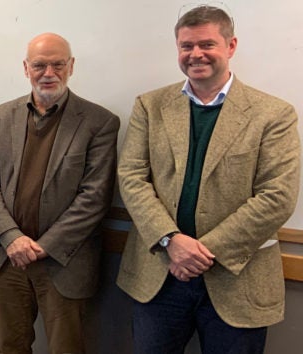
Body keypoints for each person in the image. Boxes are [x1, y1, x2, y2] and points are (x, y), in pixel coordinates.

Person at [117, 5, 300, 353]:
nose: (195, 54)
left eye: (207, 44)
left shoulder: (273, 115)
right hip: (160, 276)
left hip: (237, 281)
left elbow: (277, 196)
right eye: (186, 46)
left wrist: (199, 252)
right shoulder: (150, 106)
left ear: (230, 46)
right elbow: (131, 177)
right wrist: (172, 241)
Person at [0, 33, 119, 354]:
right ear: (26, 68)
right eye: (40, 65)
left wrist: (43, 246)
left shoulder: (99, 122)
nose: (48, 73)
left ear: (71, 66)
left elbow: (94, 198)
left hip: (64, 262)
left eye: (58, 64)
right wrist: (12, 237)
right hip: (6, 258)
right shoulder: (2, 116)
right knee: (9, 347)